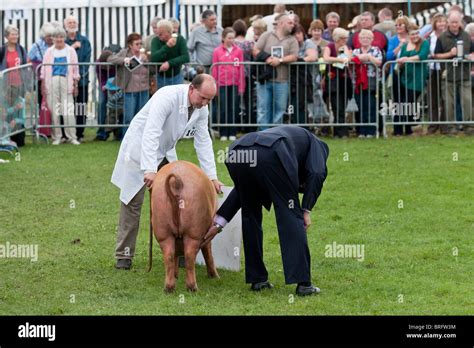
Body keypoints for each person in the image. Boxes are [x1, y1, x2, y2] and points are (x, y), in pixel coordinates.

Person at [111, 74, 224, 270]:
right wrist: (149, 169)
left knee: (179, 195)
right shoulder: (166, 97)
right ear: (191, 89)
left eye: (209, 100)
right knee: (132, 201)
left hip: (164, 151)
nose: (205, 103)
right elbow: (151, 132)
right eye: (203, 98)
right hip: (139, 149)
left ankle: (180, 252)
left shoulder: (201, 108)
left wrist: (211, 176)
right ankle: (124, 255)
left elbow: (203, 140)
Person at [201, 125, 329, 296]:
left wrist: (219, 222)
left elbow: (241, 191)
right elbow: (317, 173)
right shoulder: (318, 145)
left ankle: (258, 280)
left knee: (250, 213)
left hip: (236, 151)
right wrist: (305, 209)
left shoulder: (295, 138)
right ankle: (304, 284)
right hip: (272, 154)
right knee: (290, 215)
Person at [253, 13, 298, 130]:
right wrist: (267, 58)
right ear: (281, 23)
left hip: (282, 80)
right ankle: (263, 136)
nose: (293, 25)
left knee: (280, 110)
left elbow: (294, 56)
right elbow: (255, 50)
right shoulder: (266, 35)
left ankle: (276, 136)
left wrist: (280, 60)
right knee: (263, 109)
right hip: (265, 79)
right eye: (290, 23)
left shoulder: (292, 40)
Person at [434, 11, 474, 135]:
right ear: (448, 23)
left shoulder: (467, 36)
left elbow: (473, 52)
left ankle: (469, 128)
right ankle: (451, 128)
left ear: (460, 23)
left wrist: (470, 57)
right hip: (448, 74)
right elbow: (436, 55)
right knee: (448, 104)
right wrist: (450, 54)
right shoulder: (442, 37)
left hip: (465, 74)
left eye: (457, 22)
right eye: (452, 22)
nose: (455, 24)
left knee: (467, 102)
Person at [40, 27, 81, 145]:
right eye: (57, 37)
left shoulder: (70, 51)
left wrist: (75, 84)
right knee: (54, 110)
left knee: (68, 109)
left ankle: (71, 136)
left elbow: (75, 69)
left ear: (64, 38)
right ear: (53, 39)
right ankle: (57, 136)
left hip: (66, 82)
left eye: (61, 37)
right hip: (51, 82)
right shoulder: (49, 51)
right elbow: (43, 69)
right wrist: (43, 84)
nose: (59, 39)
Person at [108, 33, 150, 140]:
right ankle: (126, 140)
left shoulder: (145, 54)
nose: (139, 46)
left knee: (142, 117)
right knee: (129, 117)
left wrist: (147, 60)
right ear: (130, 45)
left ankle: (141, 140)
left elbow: (153, 69)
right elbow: (110, 58)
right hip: (129, 89)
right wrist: (124, 60)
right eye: (137, 44)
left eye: (140, 43)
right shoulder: (124, 53)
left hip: (144, 89)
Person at [394, 24, 429, 136]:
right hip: (404, 77)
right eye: (412, 34)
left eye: (417, 33)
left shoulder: (424, 43)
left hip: (417, 78)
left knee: (409, 102)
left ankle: (409, 128)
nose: (415, 36)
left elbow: (422, 56)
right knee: (401, 104)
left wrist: (407, 59)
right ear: (408, 35)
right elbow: (402, 60)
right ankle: (400, 130)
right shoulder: (405, 46)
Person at [211, 27, 245, 141]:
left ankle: (233, 132)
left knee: (234, 108)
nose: (231, 40)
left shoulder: (238, 51)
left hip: (234, 83)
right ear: (223, 38)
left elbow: (241, 68)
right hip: (222, 84)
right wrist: (214, 85)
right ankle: (223, 132)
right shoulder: (217, 51)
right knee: (223, 108)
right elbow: (214, 69)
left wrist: (241, 85)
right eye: (229, 37)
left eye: (233, 38)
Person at [64, 16, 91, 143]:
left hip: (82, 81)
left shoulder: (85, 41)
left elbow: (86, 61)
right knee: (66, 107)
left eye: (74, 22)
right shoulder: (62, 41)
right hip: (66, 81)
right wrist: (73, 48)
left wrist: (79, 78)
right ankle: (66, 133)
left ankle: (79, 133)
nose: (72, 24)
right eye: (70, 22)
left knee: (80, 106)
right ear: (65, 25)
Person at [0, 25, 28, 147]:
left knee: (18, 109)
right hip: (6, 86)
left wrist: (26, 85)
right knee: (6, 110)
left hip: (19, 84)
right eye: (12, 34)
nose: (15, 36)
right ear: (7, 36)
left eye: (16, 34)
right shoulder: (2, 50)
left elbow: (25, 66)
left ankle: (19, 136)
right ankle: (5, 137)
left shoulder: (21, 49)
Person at [352, 29, 383, 138]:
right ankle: (361, 131)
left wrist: (369, 57)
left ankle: (371, 131)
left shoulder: (376, 50)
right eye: (363, 38)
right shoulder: (355, 51)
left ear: (372, 39)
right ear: (359, 39)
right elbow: (351, 60)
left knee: (370, 106)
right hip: (358, 82)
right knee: (360, 106)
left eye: (367, 38)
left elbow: (379, 62)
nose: (365, 40)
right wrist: (360, 58)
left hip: (372, 81)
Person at [323, 27, 353, 138]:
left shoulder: (346, 47)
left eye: (346, 38)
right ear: (337, 38)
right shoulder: (330, 46)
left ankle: (342, 131)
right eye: (343, 38)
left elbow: (349, 58)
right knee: (336, 107)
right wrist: (339, 59)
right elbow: (326, 58)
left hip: (344, 79)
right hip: (332, 79)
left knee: (343, 107)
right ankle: (338, 132)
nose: (345, 40)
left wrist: (344, 53)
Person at [150, 19, 190, 89]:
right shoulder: (155, 40)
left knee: (177, 98)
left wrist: (169, 63)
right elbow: (153, 58)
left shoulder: (180, 39)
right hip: (161, 77)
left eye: (161, 34)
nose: (158, 36)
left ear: (168, 32)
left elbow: (186, 57)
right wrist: (167, 47)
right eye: (158, 33)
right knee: (163, 98)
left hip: (177, 75)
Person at [426, 14, 447, 135]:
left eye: (443, 21)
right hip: (433, 70)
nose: (441, 24)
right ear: (434, 23)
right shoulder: (430, 37)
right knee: (432, 99)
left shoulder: (448, 36)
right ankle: (433, 125)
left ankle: (444, 126)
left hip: (444, 70)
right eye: (439, 22)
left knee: (445, 98)